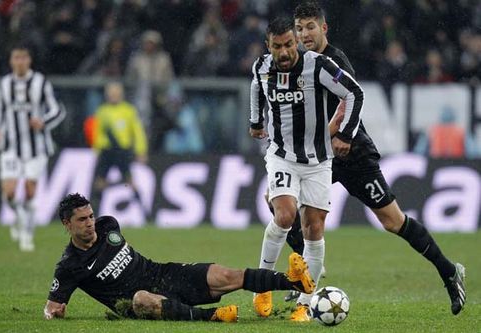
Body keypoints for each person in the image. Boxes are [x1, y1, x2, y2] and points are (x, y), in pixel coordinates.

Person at [287, 1, 465, 318]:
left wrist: (342, 135)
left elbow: (350, 100)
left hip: (352, 153)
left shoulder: (334, 61)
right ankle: (310, 270)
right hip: (320, 157)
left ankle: (449, 271)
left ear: (323, 28)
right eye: (300, 28)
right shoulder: (297, 64)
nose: (305, 34)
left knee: (393, 221)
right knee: (281, 205)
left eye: (310, 27)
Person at [249, 16, 365, 321]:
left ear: (295, 41)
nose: (285, 52)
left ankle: (305, 302)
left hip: (318, 161)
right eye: (278, 46)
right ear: (268, 46)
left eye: (289, 44)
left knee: (314, 230)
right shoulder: (261, 67)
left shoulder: (319, 66)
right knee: (285, 215)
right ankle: (262, 287)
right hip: (282, 156)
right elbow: (256, 88)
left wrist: (345, 134)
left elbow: (354, 93)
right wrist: (256, 121)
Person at [43, 193, 315, 322]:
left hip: (161, 273)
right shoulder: (70, 266)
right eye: (82, 219)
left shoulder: (108, 226)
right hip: (135, 301)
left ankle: (292, 281)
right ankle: (212, 316)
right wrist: (52, 314)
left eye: (90, 216)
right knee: (142, 299)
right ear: (67, 224)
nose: (90, 223)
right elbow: (54, 308)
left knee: (225, 275)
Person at [0, 44, 64, 251]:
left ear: (29, 60)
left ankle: (26, 232)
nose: (20, 61)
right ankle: (20, 218)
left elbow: (58, 111)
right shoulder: (5, 83)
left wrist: (43, 121)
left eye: (24, 58)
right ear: (11, 61)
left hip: (37, 147)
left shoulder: (40, 82)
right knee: (10, 193)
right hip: (11, 146)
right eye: (16, 57)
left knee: (30, 191)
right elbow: (1, 109)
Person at [92, 82, 148, 202]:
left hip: (122, 151)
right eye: (111, 93)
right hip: (107, 150)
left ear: (121, 94)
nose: (113, 95)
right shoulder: (102, 111)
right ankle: (95, 210)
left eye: (116, 93)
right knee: (100, 181)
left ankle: (143, 210)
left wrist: (141, 150)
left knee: (129, 179)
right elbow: (97, 132)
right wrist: (97, 150)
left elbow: (138, 132)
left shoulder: (128, 110)